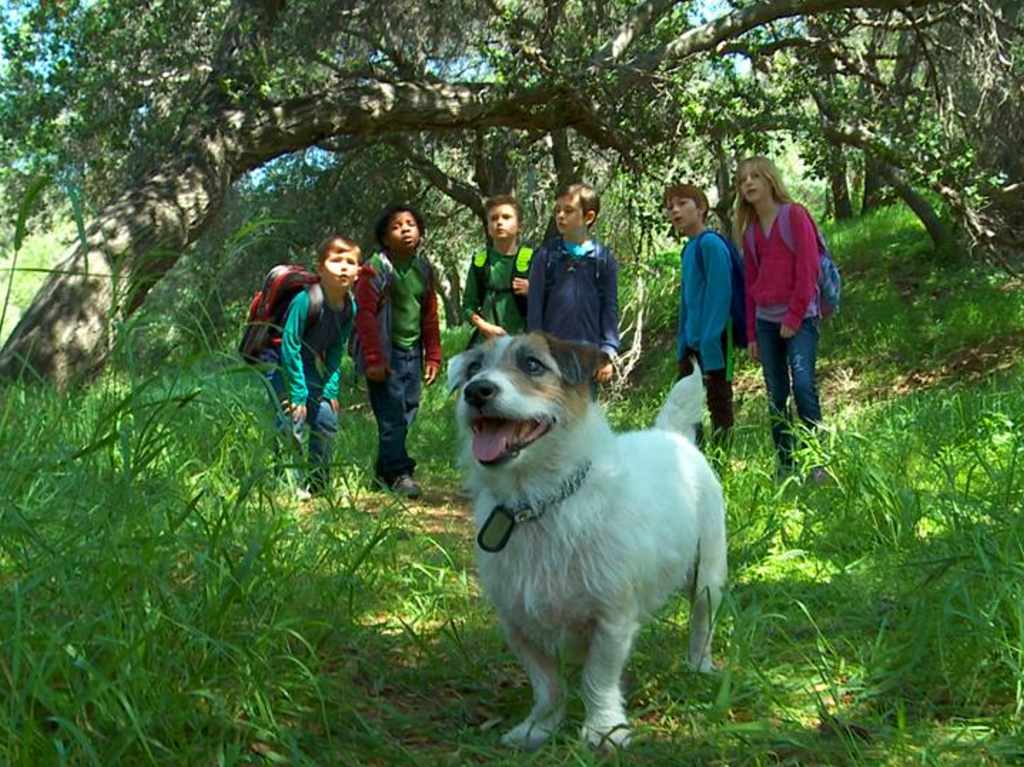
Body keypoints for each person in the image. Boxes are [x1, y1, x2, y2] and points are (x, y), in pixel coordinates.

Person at [735, 156, 827, 481]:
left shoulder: (795, 216)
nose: (748, 183)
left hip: (800, 319)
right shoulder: (749, 234)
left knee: (802, 386)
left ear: (770, 180)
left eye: (755, 176)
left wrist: (794, 314)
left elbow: (808, 269)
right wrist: (751, 335)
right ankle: (785, 466)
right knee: (776, 396)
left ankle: (818, 463)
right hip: (765, 323)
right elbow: (750, 287)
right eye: (743, 179)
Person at [353, 204, 442, 498]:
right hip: (384, 353)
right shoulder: (375, 269)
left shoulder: (423, 269)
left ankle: (382, 472)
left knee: (407, 410)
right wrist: (374, 358)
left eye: (410, 224)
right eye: (395, 226)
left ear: (420, 233)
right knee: (391, 414)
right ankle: (401, 474)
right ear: (384, 238)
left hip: (411, 353)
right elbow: (364, 315)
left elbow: (429, 313)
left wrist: (433, 354)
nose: (405, 229)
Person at [261, 235, 360, 499]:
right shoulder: (306, 300)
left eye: (350, 262)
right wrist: (297, 393)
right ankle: (286, 484)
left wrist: (330, 388)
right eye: (335, 260)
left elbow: (337, 349)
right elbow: (289, 344)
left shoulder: (349, 306)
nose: (343, 267)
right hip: (283, 365)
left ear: (358, 272)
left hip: (309, 368)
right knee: (290, 419)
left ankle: (318, 483)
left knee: (326, 418)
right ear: (320, 267)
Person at [664, 183, 736, 448]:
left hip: (714, 341)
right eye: (671, 206)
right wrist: (683, 341)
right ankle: (696, 456)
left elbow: (721, 294)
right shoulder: (688, 249)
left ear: (702, 208)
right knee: (686, 403)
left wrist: (710, 337)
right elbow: (686, 302)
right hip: (690, 344)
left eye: (682, 203)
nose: (675, 211)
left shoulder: (711, 244)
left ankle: (721, 460)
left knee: (718, 401)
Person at [526, 182, 619, 384]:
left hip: (589, 355)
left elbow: (610, 308)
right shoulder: (546, 256)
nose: (560, 216)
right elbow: (534, 305)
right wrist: (536, 346)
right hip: (551, 355)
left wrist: (607, 351)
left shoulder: (602, 259)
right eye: (557, 210)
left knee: (585, 411)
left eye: (568, 211)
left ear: (589, 217)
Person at [462, 195, 533, 346]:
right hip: (486, 346)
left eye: (506, 217)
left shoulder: (532, 259)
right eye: (494, 218)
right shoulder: (480, 261)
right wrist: (484, 327)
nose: (499, 222)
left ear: (520, 226)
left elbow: (552, 303)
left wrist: (533, 290)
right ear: (488, 227)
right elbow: (468, 306)